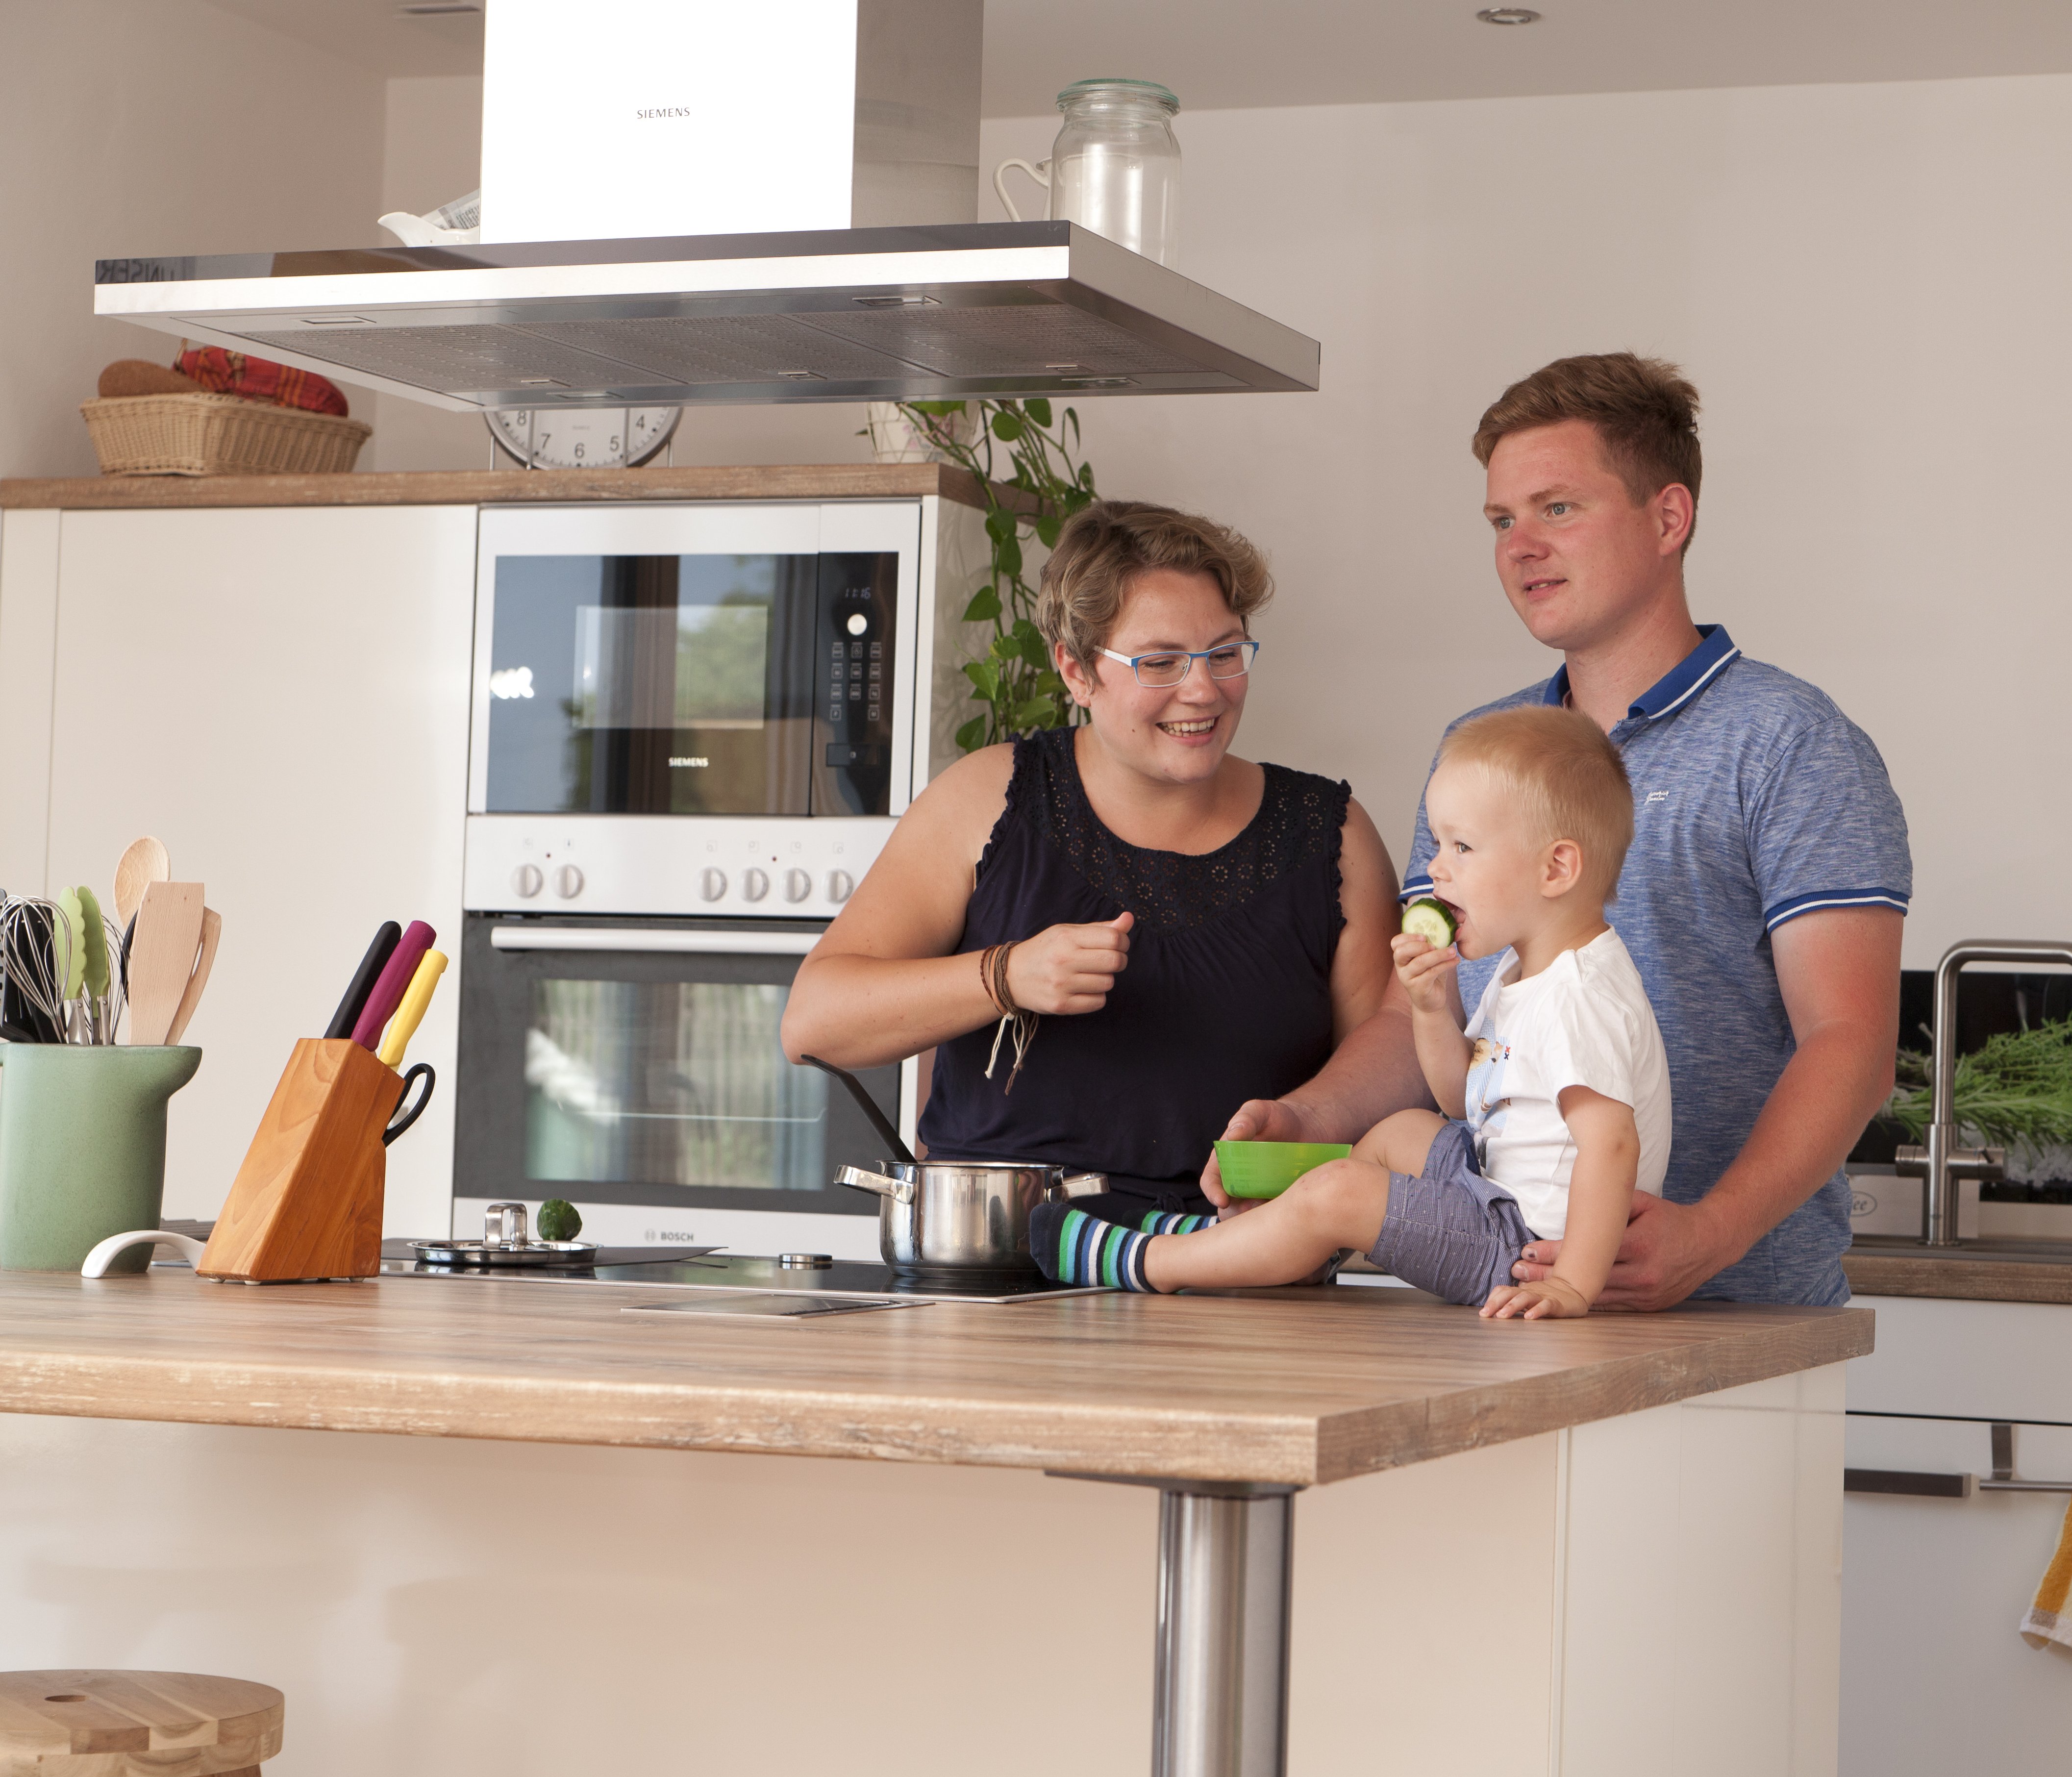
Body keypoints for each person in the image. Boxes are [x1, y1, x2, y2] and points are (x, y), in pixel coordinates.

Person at [1206, 353, 1910, 1308]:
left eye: (1558, 509)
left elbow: (1850, 1041)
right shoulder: (1478, 752)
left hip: (1737, 1317)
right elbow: (1421, 1009)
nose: (1521, 547)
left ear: (1669, 518)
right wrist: (1306, 1118)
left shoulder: (1792, 743)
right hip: (1508, 1304)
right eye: (1503, 521)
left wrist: (1710, 1233)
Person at [781, 500, 1403, 1226]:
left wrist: (1304, 1128)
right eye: (1160, 662)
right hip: (1005, 1261)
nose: (1203, 690)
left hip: (1249, 1262)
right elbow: (813, 1022)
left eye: (1225, 653)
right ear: (1076, 671)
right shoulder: (985, 799)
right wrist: (1006, 975)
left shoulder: (1333, 835)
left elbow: (1392, 1069)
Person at [1030, 706, 1670, 1319]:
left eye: (1463, 847)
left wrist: (1571, 1283)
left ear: (1556, 868)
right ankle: (1261, 1245)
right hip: (1495, 1196)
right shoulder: (1522, 973)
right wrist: (1428, 1010)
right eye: (1439, 844)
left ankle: (1158, 1262)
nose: (1435, 868)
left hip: (1527, 1249)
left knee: (1339, 1191)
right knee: (1402, 1131)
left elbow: (1612, 1145)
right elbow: (1462, 1099)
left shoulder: (1579, 997)